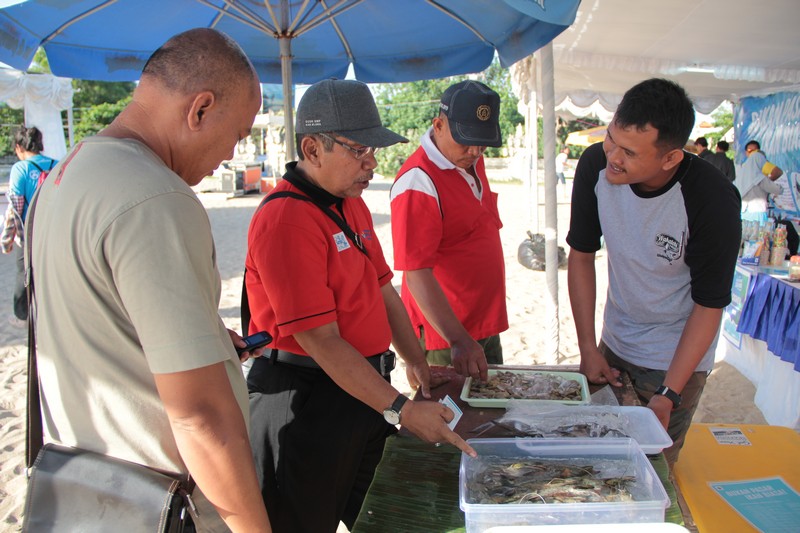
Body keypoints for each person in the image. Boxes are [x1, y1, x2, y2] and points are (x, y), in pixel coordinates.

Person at [28, 28, 271, 532]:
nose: (231, 153)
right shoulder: (155, 198)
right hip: (160, 505)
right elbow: (200, 416)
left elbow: (96, 324)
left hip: (86, 491)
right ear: (200, 109)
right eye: (238, 134)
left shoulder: (67, 174)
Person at [244, 78, 476, 533]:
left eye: (373, 150)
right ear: (312, 149)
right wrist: (401, 410)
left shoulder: (351, 205)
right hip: (303, 402)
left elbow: (384, 293)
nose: (372, 163)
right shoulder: (286, 218)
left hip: (363, 391)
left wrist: (418, 365)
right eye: (358, 150)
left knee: (388, 514)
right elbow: (322, 342)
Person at [566, 78, 741, 466]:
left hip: (675, 357)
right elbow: (581, 256)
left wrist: (670, 393)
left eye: (629, 152)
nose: (612, 155)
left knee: (648, 468)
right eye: (612, 138)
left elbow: (709, 306)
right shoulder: (596, 164)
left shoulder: (711, 200)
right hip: (615, 340)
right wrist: (588, 348)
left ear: (670, 158)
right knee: (597, 456)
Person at [390, 80, 508, 382]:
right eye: (466, 140)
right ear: (439, 125)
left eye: (483, 142)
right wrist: (458, 339)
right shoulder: (418, 181)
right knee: (454, 422)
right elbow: (416, 272)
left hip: (482, 323)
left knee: (490, 415)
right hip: (445, 337)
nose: (475, 151)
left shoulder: (469, 159)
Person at [2, 126, 56, 328]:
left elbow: (14, 210)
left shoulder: (20, 169)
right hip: (52, 232)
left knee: (23, 274)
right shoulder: (57, 165)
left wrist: (7, 240)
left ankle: (21, 316)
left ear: (18, 147)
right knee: (49, 273)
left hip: (28, 235)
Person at [737, 139, 784, 224]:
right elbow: (778, 190)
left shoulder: (742, 172)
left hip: (742, 211)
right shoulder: (759, 178)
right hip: (757, 212)